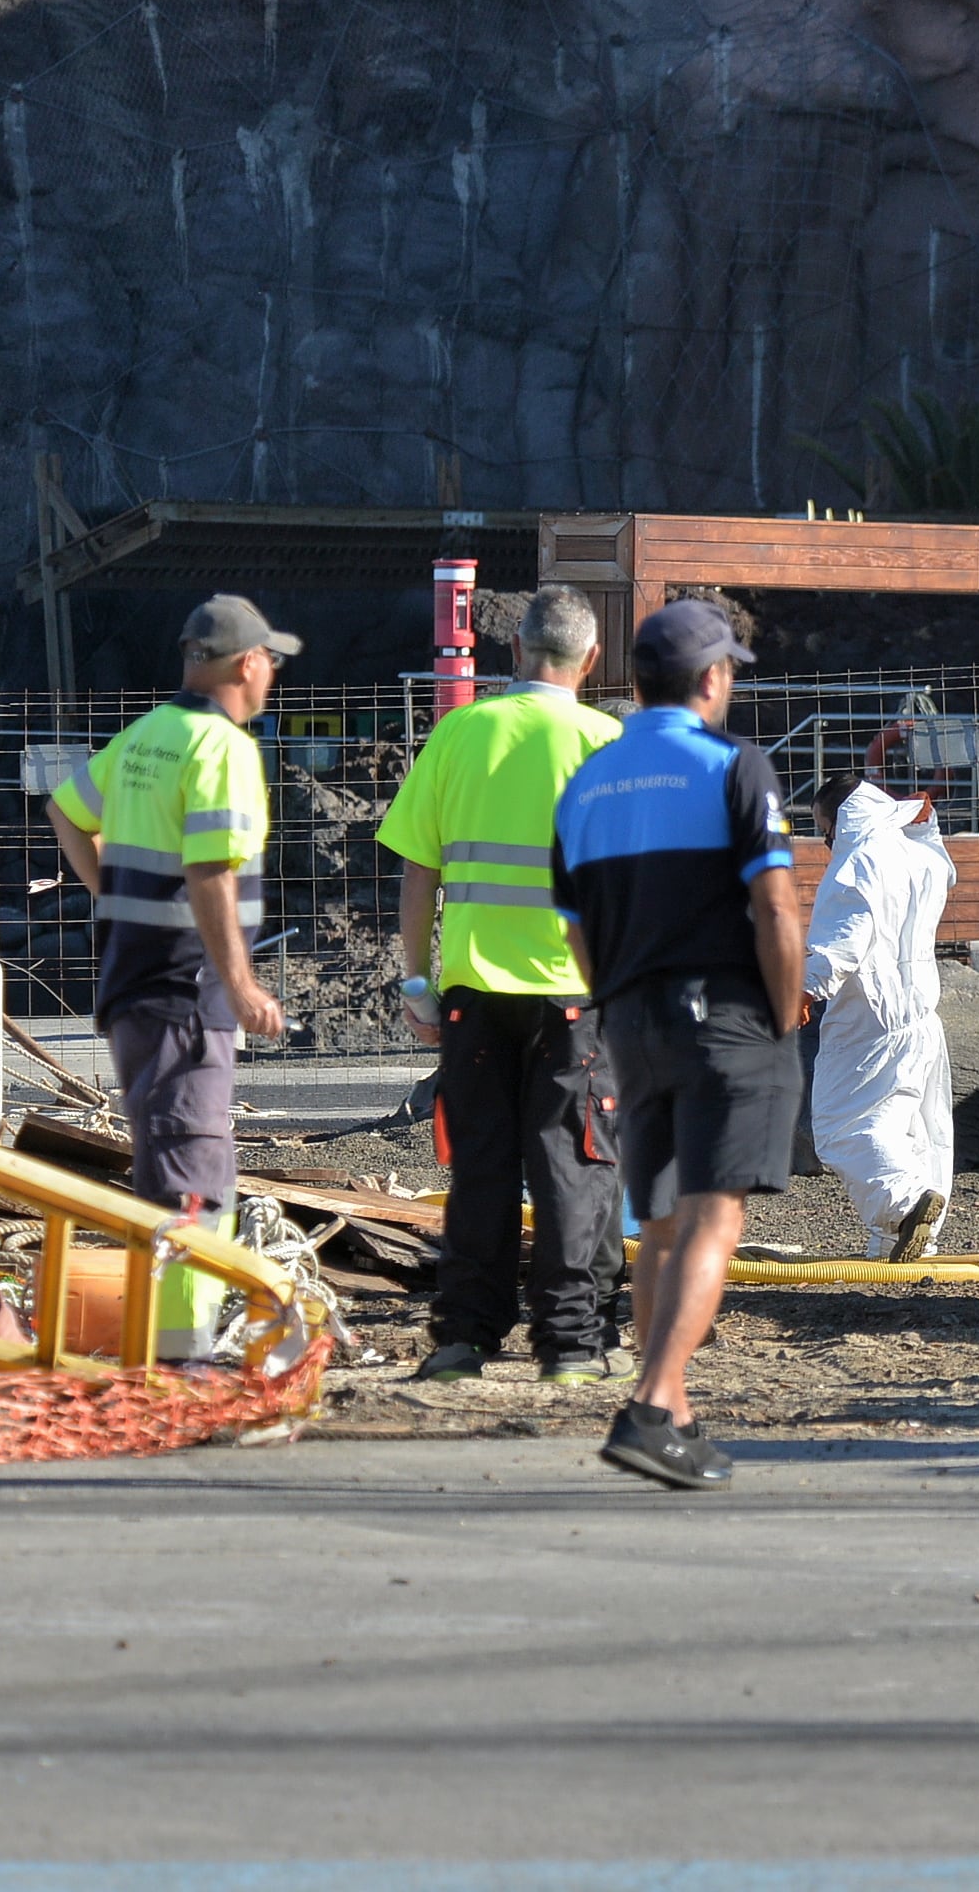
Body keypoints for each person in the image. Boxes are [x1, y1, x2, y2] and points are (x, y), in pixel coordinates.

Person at [551, 599, 806, 1491]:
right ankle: (652, 1404)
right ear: (711, 680)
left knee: (656, 1222)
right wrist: (783, 1015)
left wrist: (613, 1001)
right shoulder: (733, 766)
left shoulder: (588, 782)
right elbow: (775, 906)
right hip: (724, 1014)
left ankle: (676, 1417)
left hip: (629, 1020)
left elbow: (575, 926)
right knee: (714, 1216)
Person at [375, 585, 626, 1386]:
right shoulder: (604, 744)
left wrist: (416, 981)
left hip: (473, 995)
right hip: (574, 998)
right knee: (573, 1168)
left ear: (514, 651)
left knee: (480, 1168)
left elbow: (420, 871)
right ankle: (574, 1346)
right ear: (591, 660)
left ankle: (464, 1339)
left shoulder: (459, 734)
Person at [46, 595, 298, 1294]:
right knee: (192, 1182)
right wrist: (242, 985)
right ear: (248, 664)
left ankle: (172, 1348)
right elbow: (210, 870)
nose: (271, 675)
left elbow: (65, 811)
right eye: (270, 662)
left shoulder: (146, 735)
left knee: (168, 1165)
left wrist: (114, 897)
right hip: (186, 992)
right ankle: (181, 1361)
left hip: (132, 983)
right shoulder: (224, 749)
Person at [803, 747, 956, 1263]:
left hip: (869, 1015)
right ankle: (903, 1240)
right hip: (919, 1012)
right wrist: (922, 824)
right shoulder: (914, 854)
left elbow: (843, 943)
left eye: (823, 827)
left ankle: (907, 1203)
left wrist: (803, 990)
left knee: (842, 1125)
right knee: (908, 1124)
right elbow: (942, 866)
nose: (824, 841)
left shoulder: (858, 862)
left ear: (840, 818)